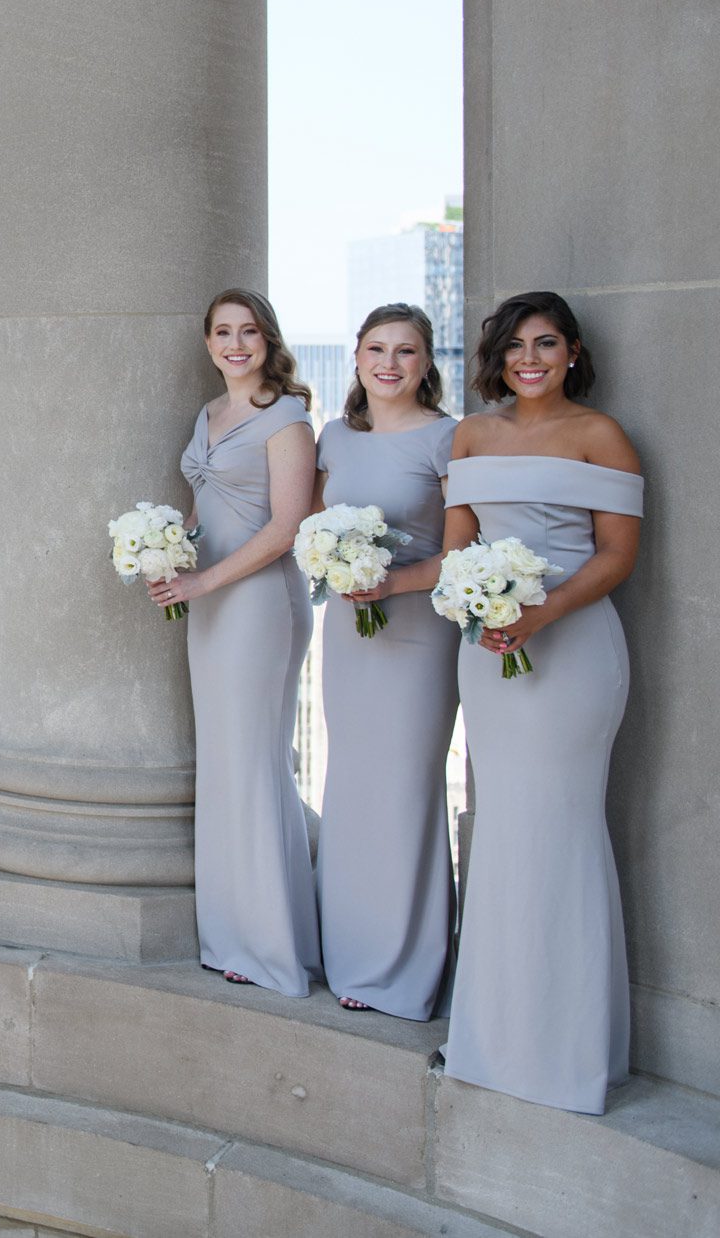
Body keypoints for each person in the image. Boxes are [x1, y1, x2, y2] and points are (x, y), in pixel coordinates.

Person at [443, 290, 642, 1113]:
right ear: (499, 355)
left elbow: (617, 557)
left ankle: (566, 1054)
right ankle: (494, 1039)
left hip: (573, 651)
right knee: (507, 836)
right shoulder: (471, 435)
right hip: (488, 654)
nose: (531, 357)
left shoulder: (602, 436)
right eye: (518, 344)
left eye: (547, 343)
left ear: (572, 351)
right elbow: (458, 548)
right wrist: (479, 607)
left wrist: (542, 611)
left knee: (560, 831)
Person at [151, 288, 320, 995]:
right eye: (222, 332)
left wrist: (206, 582)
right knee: (225, 764)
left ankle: (272, 947)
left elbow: (285, 528)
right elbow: (206, 505)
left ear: (267, 338)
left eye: (248, 331)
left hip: (256, 602)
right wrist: (169, 550)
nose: (235, 344)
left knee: (254, 763)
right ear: (209, 343)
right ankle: (230, 936)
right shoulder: (210, 413)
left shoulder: (288, 418)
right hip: (211, 599)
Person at [312, 304, 457, 1017]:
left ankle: (406, 970)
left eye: (406, 351)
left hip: (418, 635)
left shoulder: (448, 439)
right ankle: (350, 953)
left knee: (407, 789)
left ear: (427, 363)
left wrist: (390, 581)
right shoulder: (334, 436)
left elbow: (463, 552)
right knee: (355, 785)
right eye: (377, 349)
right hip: (345, 634)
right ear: (358, 357)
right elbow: (309, 528)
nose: (390, 363)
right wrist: (335, 570)